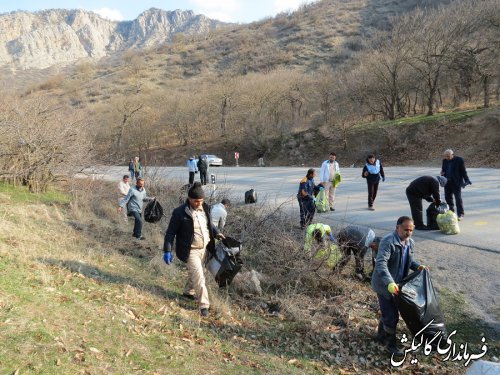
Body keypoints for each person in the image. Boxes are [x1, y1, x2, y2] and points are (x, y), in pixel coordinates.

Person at [162, 182, 224, 317]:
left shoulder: (205, 207)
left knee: (196, 273)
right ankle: (204, 306)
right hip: (191, 251)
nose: (199, 203)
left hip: (205, 248)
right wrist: (167, 250)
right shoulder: (179, 212)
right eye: (196, 201)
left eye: (201, 201)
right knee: (199, 277)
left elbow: (209, 224)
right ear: (189, 199)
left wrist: (217, 232)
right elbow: (170, 233)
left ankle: (188, 291)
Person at [371, 216, 428, 355]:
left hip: (398, 286)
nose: (408, 233)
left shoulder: (410, 243)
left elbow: (409, 260)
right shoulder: (388, 241)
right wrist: (389, 282)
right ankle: (391, 346)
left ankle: (381, 336)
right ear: (397, 228)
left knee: (388, 312)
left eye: (411, 230)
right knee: (392, 316)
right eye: (405, 229)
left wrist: (418, 267)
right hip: (385, 285)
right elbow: (381, 263)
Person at [441, 149, 471, 221]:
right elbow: (443, 170)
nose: (447, 158)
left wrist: (466, 180)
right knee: (448, 198)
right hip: (447, 182)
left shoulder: (459, 160)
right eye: (446, 156)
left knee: (458, 198)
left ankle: (460, 214)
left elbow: (463, 171)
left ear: (452, 155)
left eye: (448, 156)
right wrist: (442, 173)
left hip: (456, 182)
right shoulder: (444, 161)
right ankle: (451, 213)